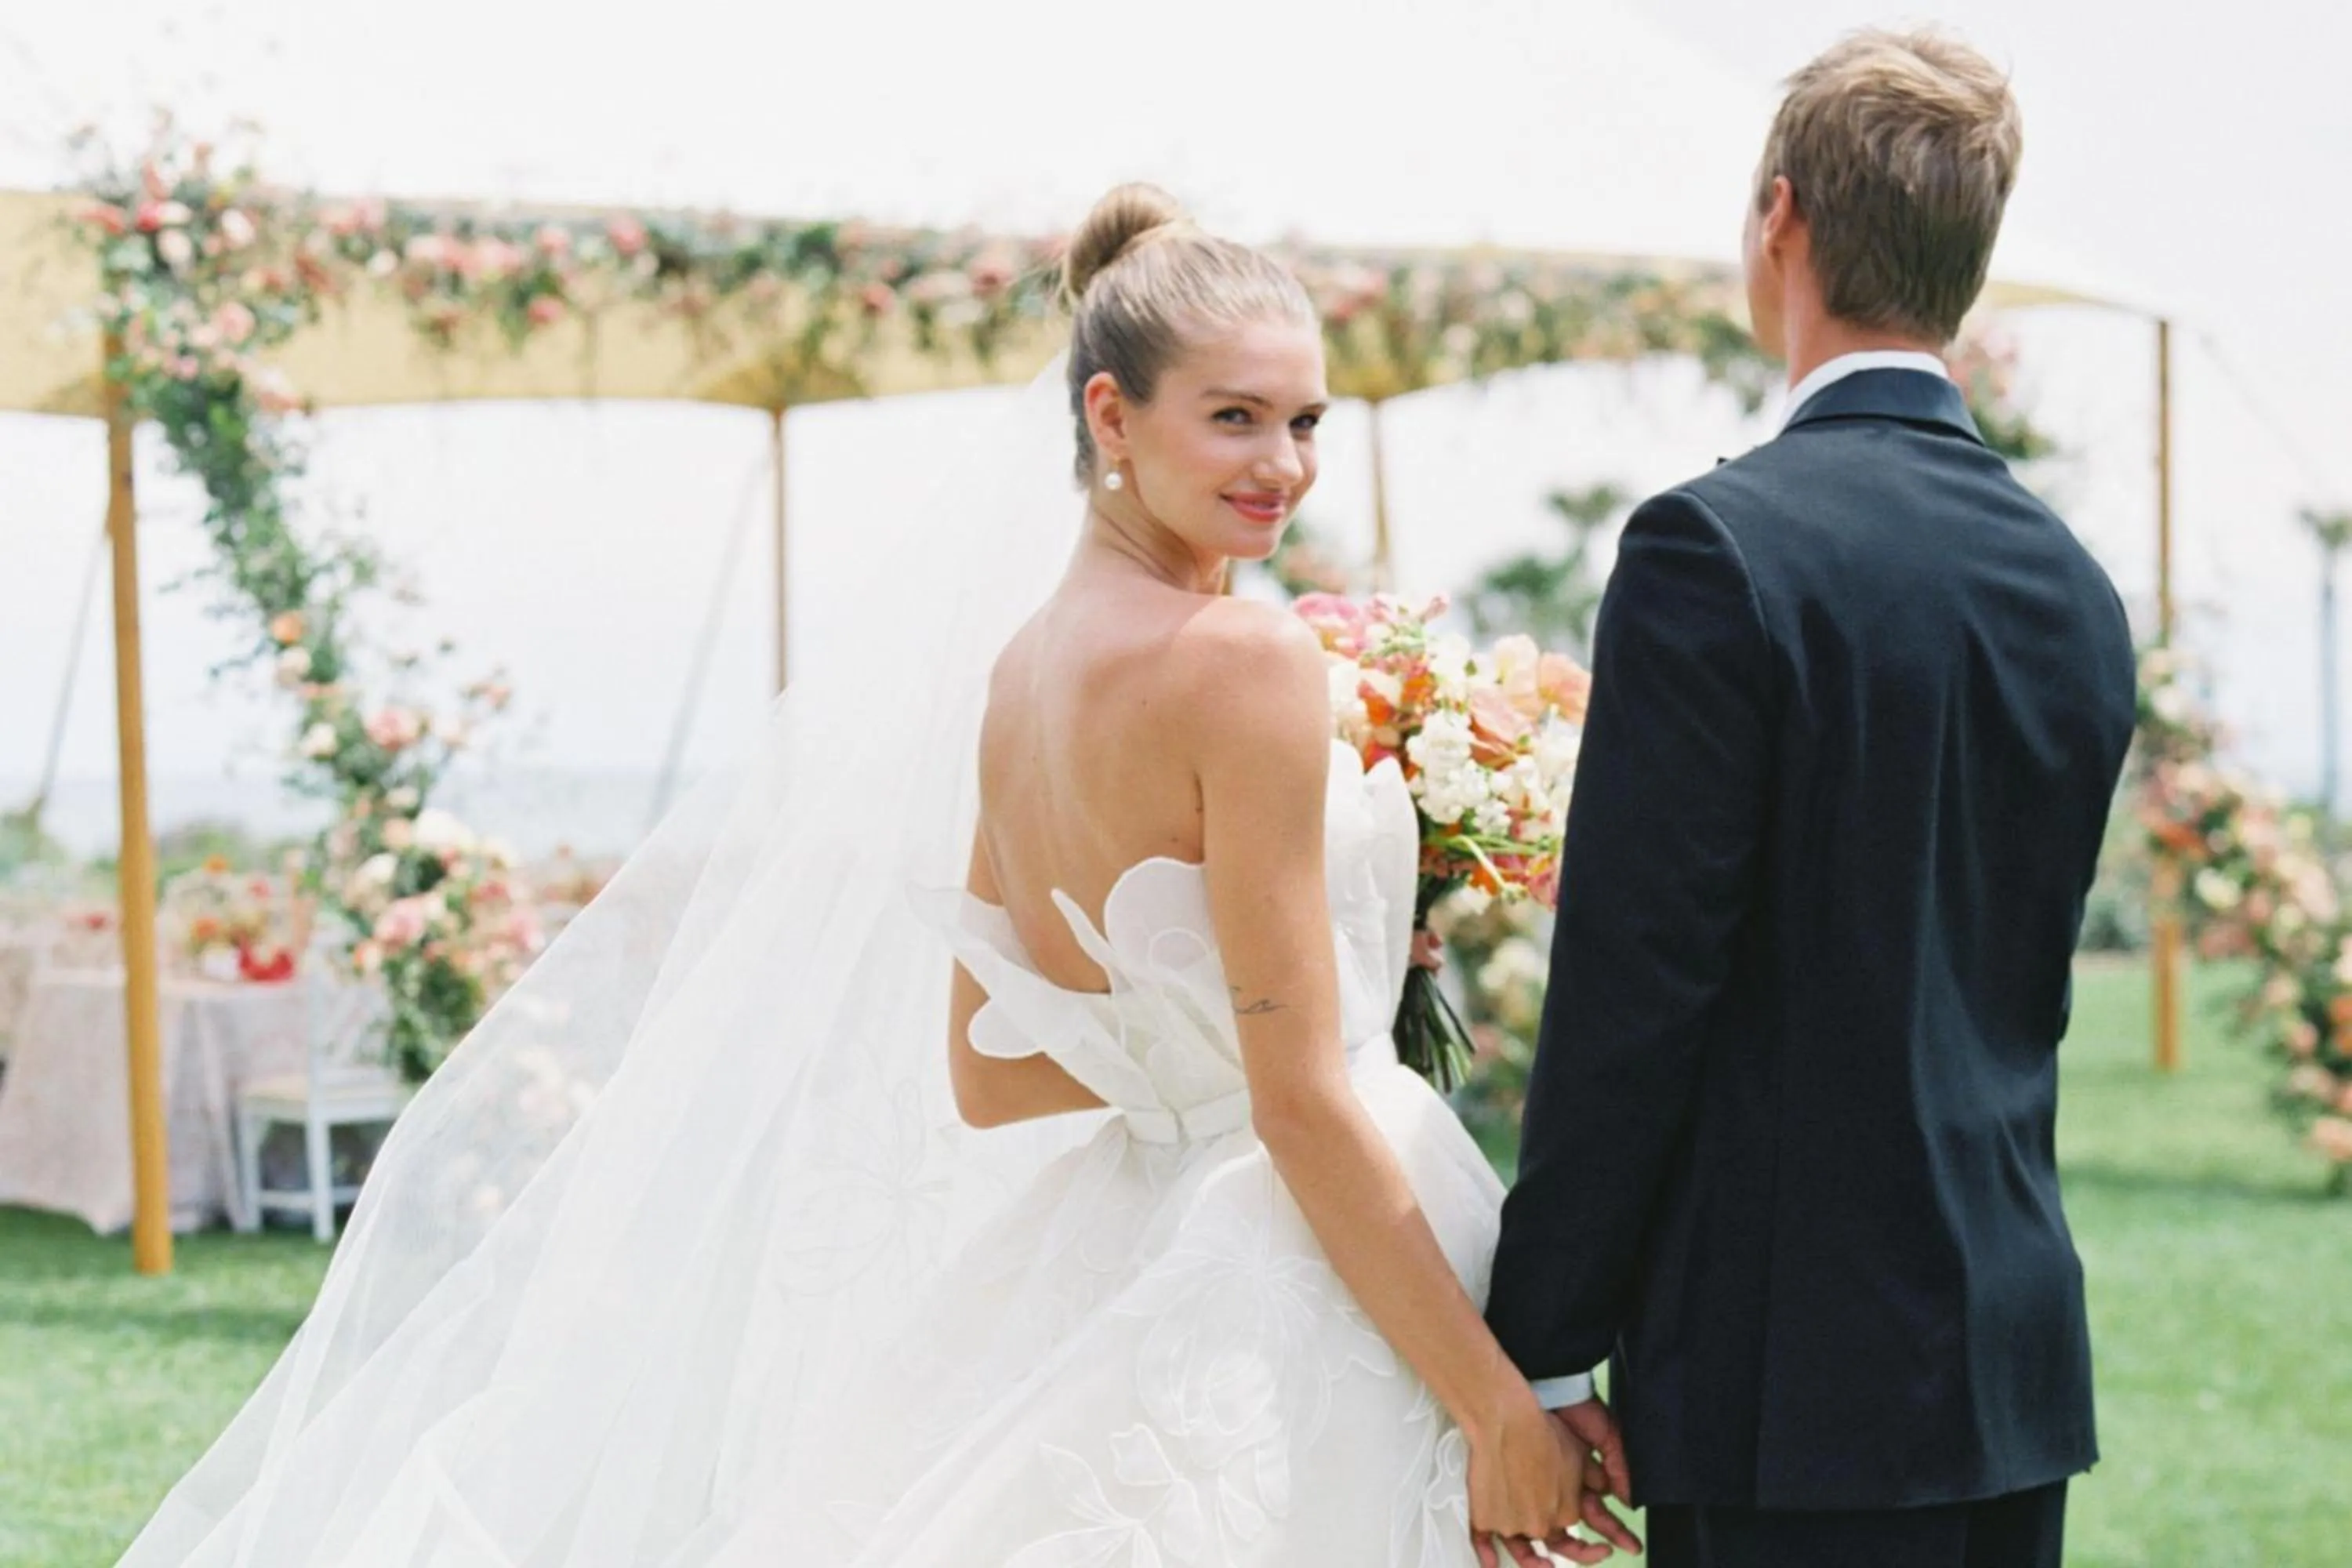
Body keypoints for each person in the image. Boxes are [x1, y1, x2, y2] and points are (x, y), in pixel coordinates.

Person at [120, 184, 1636, 1567]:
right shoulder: (1241, 656)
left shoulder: (1019, 677)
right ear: (1112, 414)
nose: (1286, 467)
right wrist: (1495, 1406)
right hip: (1296, 1247)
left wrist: (1211, 1041)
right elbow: (1297, 1097)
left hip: (1132, 1216)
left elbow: (992, 1068)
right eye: (1236, 419)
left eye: (1305, 421)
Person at [1483, 29, 2137, 1568]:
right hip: (2011, 1361)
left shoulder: (1715, 553)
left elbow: (1636, 985)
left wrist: (1543, 1344)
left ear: (1780, 219)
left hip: (1789, 1382)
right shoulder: (2076, 590)